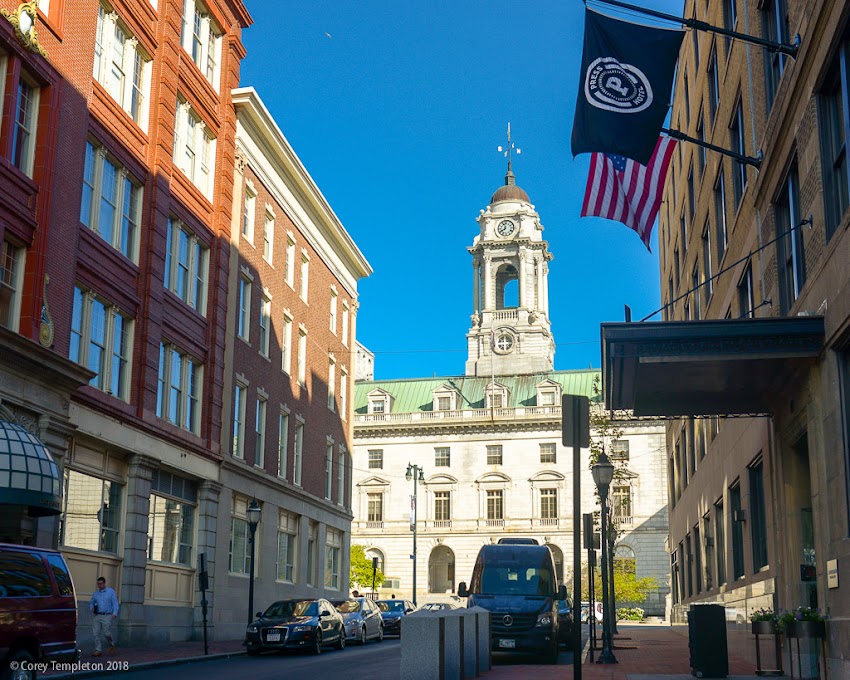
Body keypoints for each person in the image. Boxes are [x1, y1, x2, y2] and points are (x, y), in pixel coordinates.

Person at [89, 576, 119, 657]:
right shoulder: (96, 594)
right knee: (96, 633)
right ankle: (98, 650)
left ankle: (111, 644)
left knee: (106, 633)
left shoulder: (111, 592)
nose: (99, 585)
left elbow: (115, 603)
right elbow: (92, 602)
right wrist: (91, 607)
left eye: (101, 584)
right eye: (98, 584)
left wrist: (114, 613)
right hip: (97, 615)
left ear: (104, 583)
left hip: (107, 615)